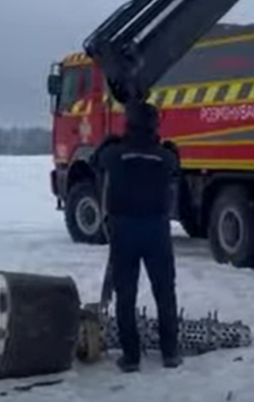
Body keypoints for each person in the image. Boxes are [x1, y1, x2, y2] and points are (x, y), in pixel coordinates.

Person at [91, 101, 181, 372]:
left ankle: (131, 357)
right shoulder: (165, 156)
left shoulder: (116, 154)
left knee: (125, 294)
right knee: (165, 292)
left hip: (124, 229)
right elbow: (176, 168)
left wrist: (110, 141)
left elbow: (95, 161)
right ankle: (170, 353)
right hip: (156, 230)